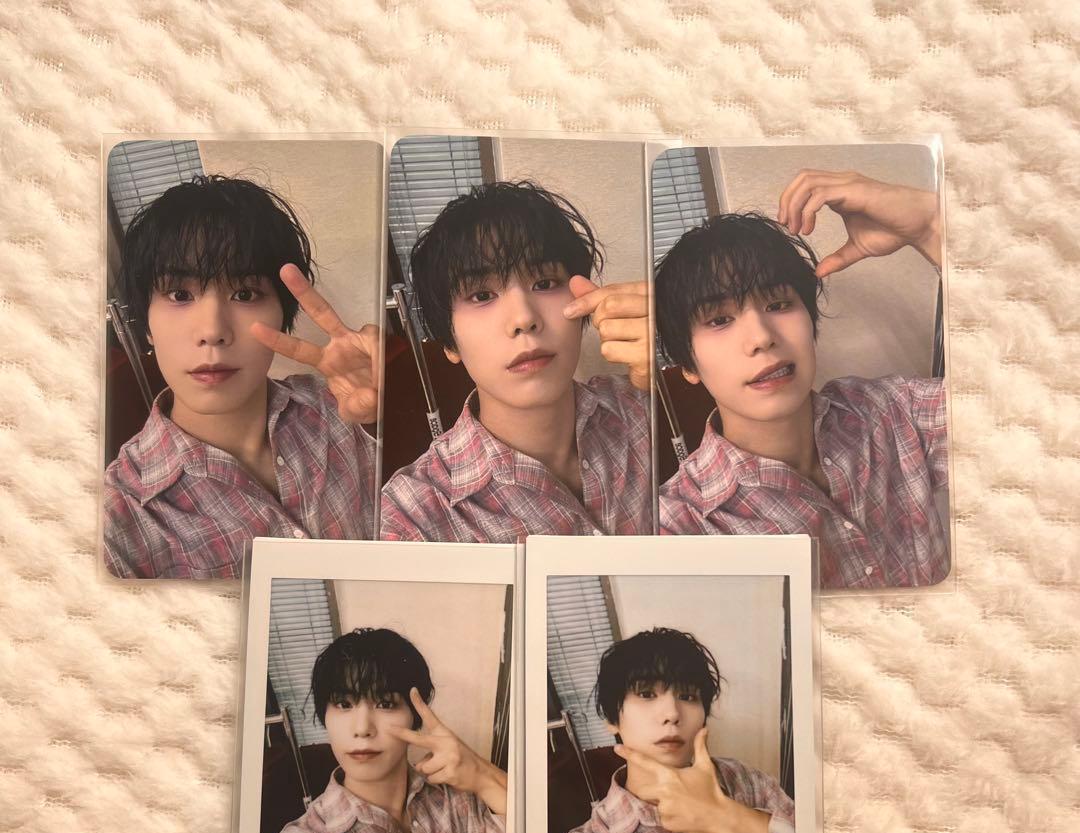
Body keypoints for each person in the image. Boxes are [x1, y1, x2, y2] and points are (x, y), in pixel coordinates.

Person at [656, 170, 949, 589]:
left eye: (778, 304)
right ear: (687, 363)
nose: (761, 338)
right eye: (719, 320)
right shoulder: (682, 526)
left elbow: (1030, 401)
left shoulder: (891, 411)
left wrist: (932, 225)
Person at [104, 174, 381, 579]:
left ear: (283, 314)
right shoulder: (118, 522)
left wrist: (388, 411)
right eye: (179, 295)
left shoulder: (343, 411)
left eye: (245, 294)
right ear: (145, 323)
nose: (212, 331)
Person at [379, 180, 652, 542]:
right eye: (481, 295)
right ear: (450, 340)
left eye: (544, 283)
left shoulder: (643, 408)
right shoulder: (412, 518)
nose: (524, 318)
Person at [258, 628, 508, 833]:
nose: (362, 728)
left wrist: (482, 775)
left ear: (415, 717)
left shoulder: (456, 798)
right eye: (344, 704)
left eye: (385, 703)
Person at [548, 628, 796, 833]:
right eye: (646, 694)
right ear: (612, 718)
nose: (672, 714)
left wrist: (722, 816)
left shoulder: (747, 781)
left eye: (688, 696)